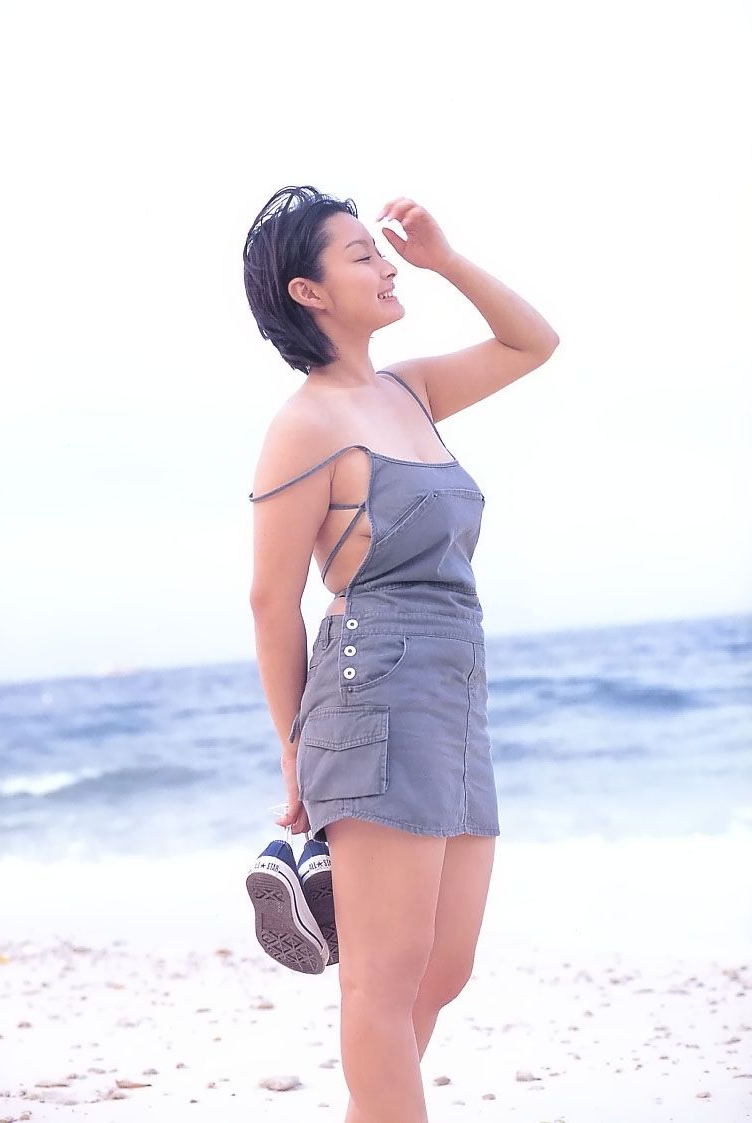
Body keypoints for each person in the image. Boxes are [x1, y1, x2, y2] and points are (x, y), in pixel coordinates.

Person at [243, 185, 559, 1123]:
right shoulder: (304, 425)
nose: (385, 266)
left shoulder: (407, 390)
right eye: (361, 255)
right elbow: (271, 601)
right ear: (308, 292)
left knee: (442, 969)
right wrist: (295, 750)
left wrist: (445, 260)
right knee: (381, 979)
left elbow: (532, 343)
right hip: (370, 685)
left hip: (455, 685)